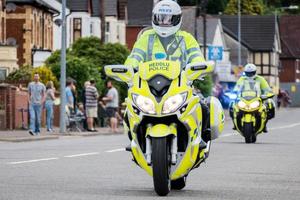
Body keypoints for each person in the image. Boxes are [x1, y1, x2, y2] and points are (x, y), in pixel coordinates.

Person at [124, 0, 210, 139]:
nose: (164, 23)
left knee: (203, 106)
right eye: (160, 18)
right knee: (130, 107)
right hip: (149, 86)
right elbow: (135, 56)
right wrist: (129, 69)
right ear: (154, 18)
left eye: (169, 19)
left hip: (180, 85)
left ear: (177, 19)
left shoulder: (186, 39)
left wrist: (198, 67)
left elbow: (197, 57)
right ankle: (134, 136)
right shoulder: (146, 38)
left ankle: (203, 138)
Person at [233, 63, 274, 132]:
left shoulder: (260, 79)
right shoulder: (242, 79)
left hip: (257, 99)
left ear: (255, 72)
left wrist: (268, 94)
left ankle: (264, 124)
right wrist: (234, 93)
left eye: (251, 73)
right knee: (232, 105)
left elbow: (267, 89)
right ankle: (235, 124)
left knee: (269, 105)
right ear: (245, 72)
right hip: (244, 99)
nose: (250, 75)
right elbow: (236, 88)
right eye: (248, 73)